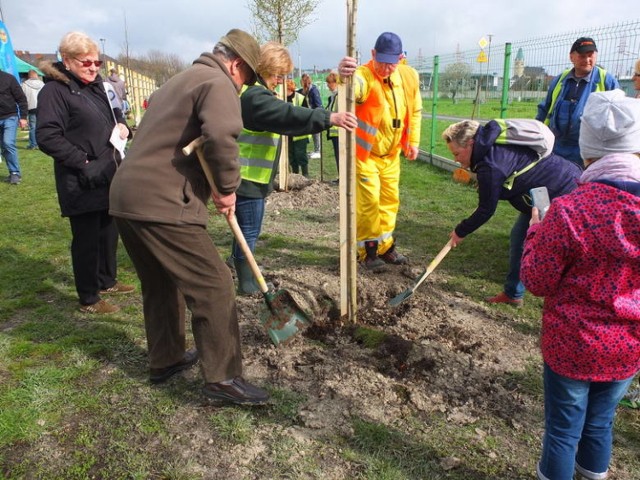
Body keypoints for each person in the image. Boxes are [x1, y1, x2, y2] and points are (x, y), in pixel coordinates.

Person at [109, 29, 272, 405]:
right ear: (236, 65)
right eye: (247, 78)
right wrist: (228, 187)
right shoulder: (218, 83)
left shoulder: (180, 80)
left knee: (160, 282)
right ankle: (224, 378)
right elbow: (221, 135)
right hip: (161, 201)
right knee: (214, 284)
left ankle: (165, 360)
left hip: (125, 195)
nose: (244, 86)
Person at [521, 89, 640, 480]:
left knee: (562, 430)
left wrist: (536, 232)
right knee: (601, 424)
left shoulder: (569, 210)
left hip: (571, 344)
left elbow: (536, 280)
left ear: (587, 151)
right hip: (627, 345)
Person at [232, 41, 357, 294]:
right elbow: (287, 114)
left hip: (250, 177)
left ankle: (243, 271)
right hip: (247, 178)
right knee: (248, 231)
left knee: (247, 231)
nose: (280, 80)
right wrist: (328, 117)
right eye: (278, 74)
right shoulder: (255, 96)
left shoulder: (253, 92)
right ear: (266, 68)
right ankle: (246, 283)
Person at [37, 31, 134, 314]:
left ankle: (107, 280)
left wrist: (122, 124)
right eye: (86, 62)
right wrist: (83, 161)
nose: (93, 67)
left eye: (97, 62)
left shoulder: (98, 86)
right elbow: (47, 136)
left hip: (108, 172)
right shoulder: (54, 92)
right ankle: (89, 297)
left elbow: (116, 112)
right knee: (87, 238)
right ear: (66, 61)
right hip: (80, 178)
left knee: (108, 230)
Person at [442, 119, 581, 306]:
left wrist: (461, 231)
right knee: (519, 239)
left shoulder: (490, 165)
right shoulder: (489, 148)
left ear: (470, 144)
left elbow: (486, 209)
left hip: (562, 193)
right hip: (539, 196)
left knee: (556, 250)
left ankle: (567, 303)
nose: (456, 159)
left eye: (457, 153)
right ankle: (513, 294)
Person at [337, 31, 422, 270]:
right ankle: (368, 251)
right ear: (373, 54)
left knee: (389, 202)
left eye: (391, 62)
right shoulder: (364, 75)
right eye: (381, 61)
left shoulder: (408, 76)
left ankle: (385, 247)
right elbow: (352, 90)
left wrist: (413, 141)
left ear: (401, 58)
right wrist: (343, 77)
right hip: (366, 156)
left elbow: (415, 111)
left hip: (392, 155)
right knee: (369, 204)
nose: (386, 67)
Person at [536, 37, 619, 166]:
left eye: (590, 55)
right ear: (571, 57)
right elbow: (545, 108)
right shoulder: (560, 80)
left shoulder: (606, 80)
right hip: (555, 147)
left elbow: (619, 116)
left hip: (589, 153)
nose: (587, 60)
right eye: (582, 56)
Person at [0, 69, 28, 184]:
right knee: (4, 147)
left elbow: (21, 99)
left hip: (9, 117)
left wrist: (23, 117)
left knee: (8, 143)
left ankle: (15, 173)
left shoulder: (8, 78)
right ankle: (12, 172)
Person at [285, 78, 311, 176]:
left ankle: (305, 176)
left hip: (300, 133)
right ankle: (295, 175)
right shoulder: (281, 98)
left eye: (286, 89)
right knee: (291, 156)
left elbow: (306, 113)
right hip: (288, 133)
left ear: (290, 89)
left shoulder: (300, 98)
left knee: (301, 155)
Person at [298, 72, 323, 159]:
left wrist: (317, 115)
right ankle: (316, 150)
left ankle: (318, 151)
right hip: (310, 114)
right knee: (313, 133)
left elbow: (318, 104)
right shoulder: (305, 90)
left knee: (316, 133)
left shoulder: (313, 91)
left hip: (315, 114)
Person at [21, 69, 44, 150]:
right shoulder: (42, 84)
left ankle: (33, 144)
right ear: (36, 75)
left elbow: (22, 97)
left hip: (31, 107)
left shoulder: (24, 84)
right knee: (42, 126)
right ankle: (42, 144)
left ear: (29, 75)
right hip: (41, 107)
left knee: (33, 127)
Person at [325, 71, 340, 177]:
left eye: (329, 83)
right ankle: (340, 176)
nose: (328, 85)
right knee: (337, 155)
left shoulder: (339, 96)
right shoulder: (333, 97)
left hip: (340, 132)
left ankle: (343, 177)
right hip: (335, 132)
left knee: (341, 156)